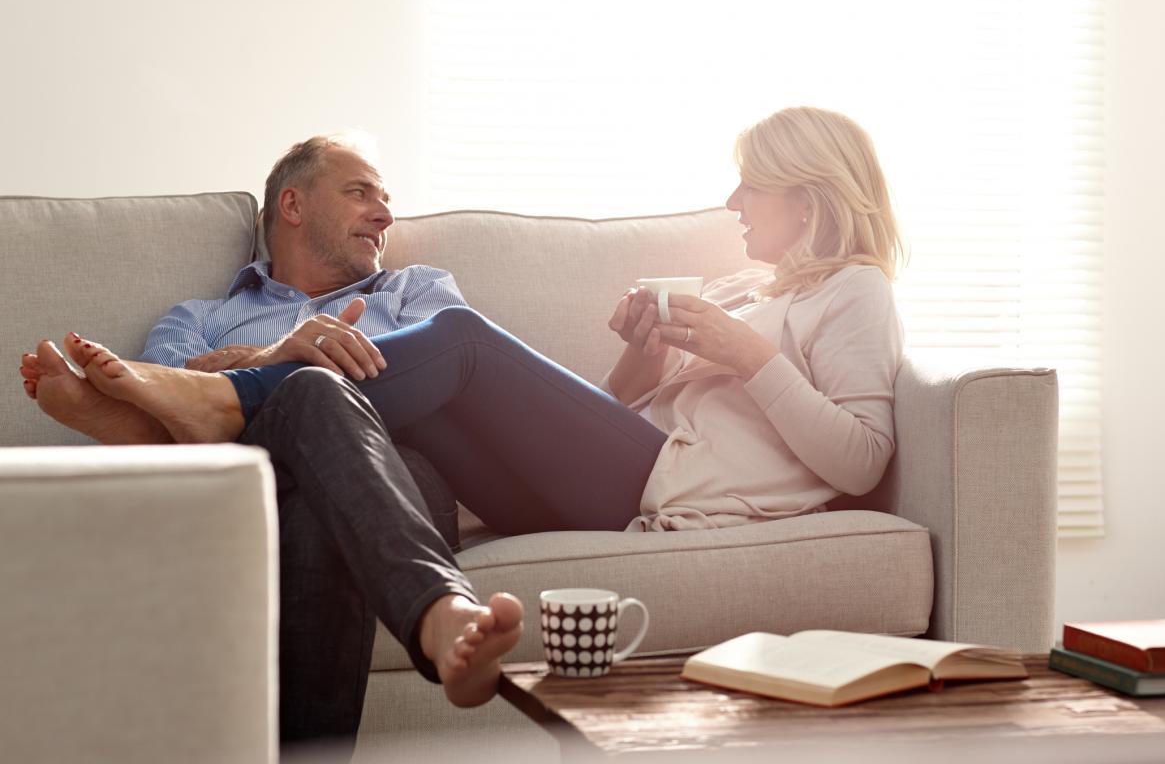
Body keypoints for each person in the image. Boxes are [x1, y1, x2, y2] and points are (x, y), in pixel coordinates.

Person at [20, 106, 906, 749]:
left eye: (753, 180)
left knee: (447, 342)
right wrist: (644, 355)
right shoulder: (747, 292)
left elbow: (862, 459)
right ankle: (409, 589)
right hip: (624, 470)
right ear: (290, 206)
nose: (734, 197)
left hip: (655, 484)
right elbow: (634, 411)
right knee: (317, 397)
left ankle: (215, 416)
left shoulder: (853, 291)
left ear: (810, 192)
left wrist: (743, 354)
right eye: (359, 191)